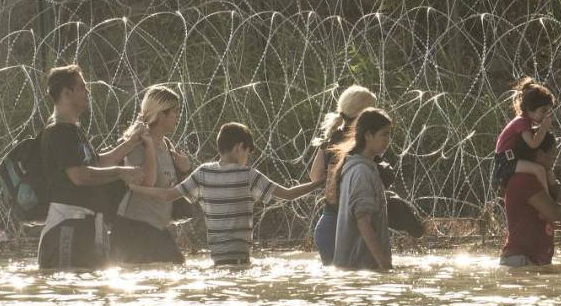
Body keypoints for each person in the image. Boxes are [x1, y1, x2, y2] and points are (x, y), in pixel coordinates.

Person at [128, 121, 321, 267]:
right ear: (239, 148)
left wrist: (135, 188)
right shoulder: (248, 175)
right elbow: (288, 194)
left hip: (217, 259)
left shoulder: (204, 172)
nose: (247, 158)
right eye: (247, 152)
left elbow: (168, 194)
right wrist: (318, 183)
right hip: (240, 258)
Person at [37, 64, 146, 271]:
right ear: (67, 93)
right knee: (70, 291)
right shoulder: (59, 131)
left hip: (83, 227)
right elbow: (80, 176)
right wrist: (122, 173)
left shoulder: (73, 130)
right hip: (66, 228)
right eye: (82, 87)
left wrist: (130, 143)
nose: (88, 92)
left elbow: (97, 163)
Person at [110, 84, 191, 266]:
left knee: (177, 269)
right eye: (174, 111)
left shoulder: (168, 146)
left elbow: (174, 190)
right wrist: (149, 146)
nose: (177, 116)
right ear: (161, 114)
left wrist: (184, 169)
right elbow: (148, 182)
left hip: (157, 228)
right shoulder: (136, 144)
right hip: (134, 228)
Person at [308, 85, 376, 262]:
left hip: (327, 224)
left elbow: (315, 177)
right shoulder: (364, 141)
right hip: (352, 225)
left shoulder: (330, 139)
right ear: (365, 114)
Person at [329, 109, 395, 271]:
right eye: (384, 134)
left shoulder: (360, 168)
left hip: (355, 267)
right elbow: (363, 222)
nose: (388, 140)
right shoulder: (361, 172)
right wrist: (383, 262)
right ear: (368, 136)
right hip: (361, 267)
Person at [500, 137, 561, 268]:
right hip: (522, 262)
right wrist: (558, 188)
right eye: (553, 154)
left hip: (529, 261)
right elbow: (555, 215)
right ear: (540, 154)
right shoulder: (525, 181)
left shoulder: (535, 180)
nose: (554, 159)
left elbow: (533, 219)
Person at [494, 76, 557, 190]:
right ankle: (548, 200)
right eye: (543, 111)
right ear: (530, 108)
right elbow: (533, 144)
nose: (546, 115)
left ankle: (558, 196)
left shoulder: (525, 121)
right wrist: (542, 128)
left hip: (514, 156)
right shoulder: (521, 122)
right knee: (539, 170)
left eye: (548, 111)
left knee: (545, 168)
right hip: (506, 160)